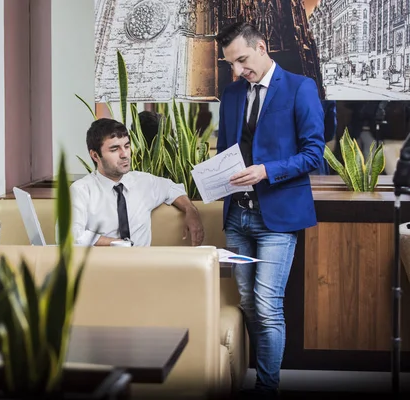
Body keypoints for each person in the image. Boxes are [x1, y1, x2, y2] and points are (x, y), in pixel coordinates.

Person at [215, 22, 325, 395]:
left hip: (277, 217)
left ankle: (267, 386)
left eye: (242, 60)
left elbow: (314, 154)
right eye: (231, 64)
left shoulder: (300, 88)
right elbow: (225, 151)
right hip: (236, 216)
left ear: (262, 48)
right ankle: (255, 373)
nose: (238, 71)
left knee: (266, 303)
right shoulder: (231, 94)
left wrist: (267, 171)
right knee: (247, 300)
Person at [70, 118, 204, 247]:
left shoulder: (143, 183)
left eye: (127, 146)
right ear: (95, 155)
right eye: (114, 149)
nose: (124, 154)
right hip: (102, 266)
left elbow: (172, 189)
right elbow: (71, 235)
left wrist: (191, 211)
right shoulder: (81, 190)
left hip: (144, 266)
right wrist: (117, 243)